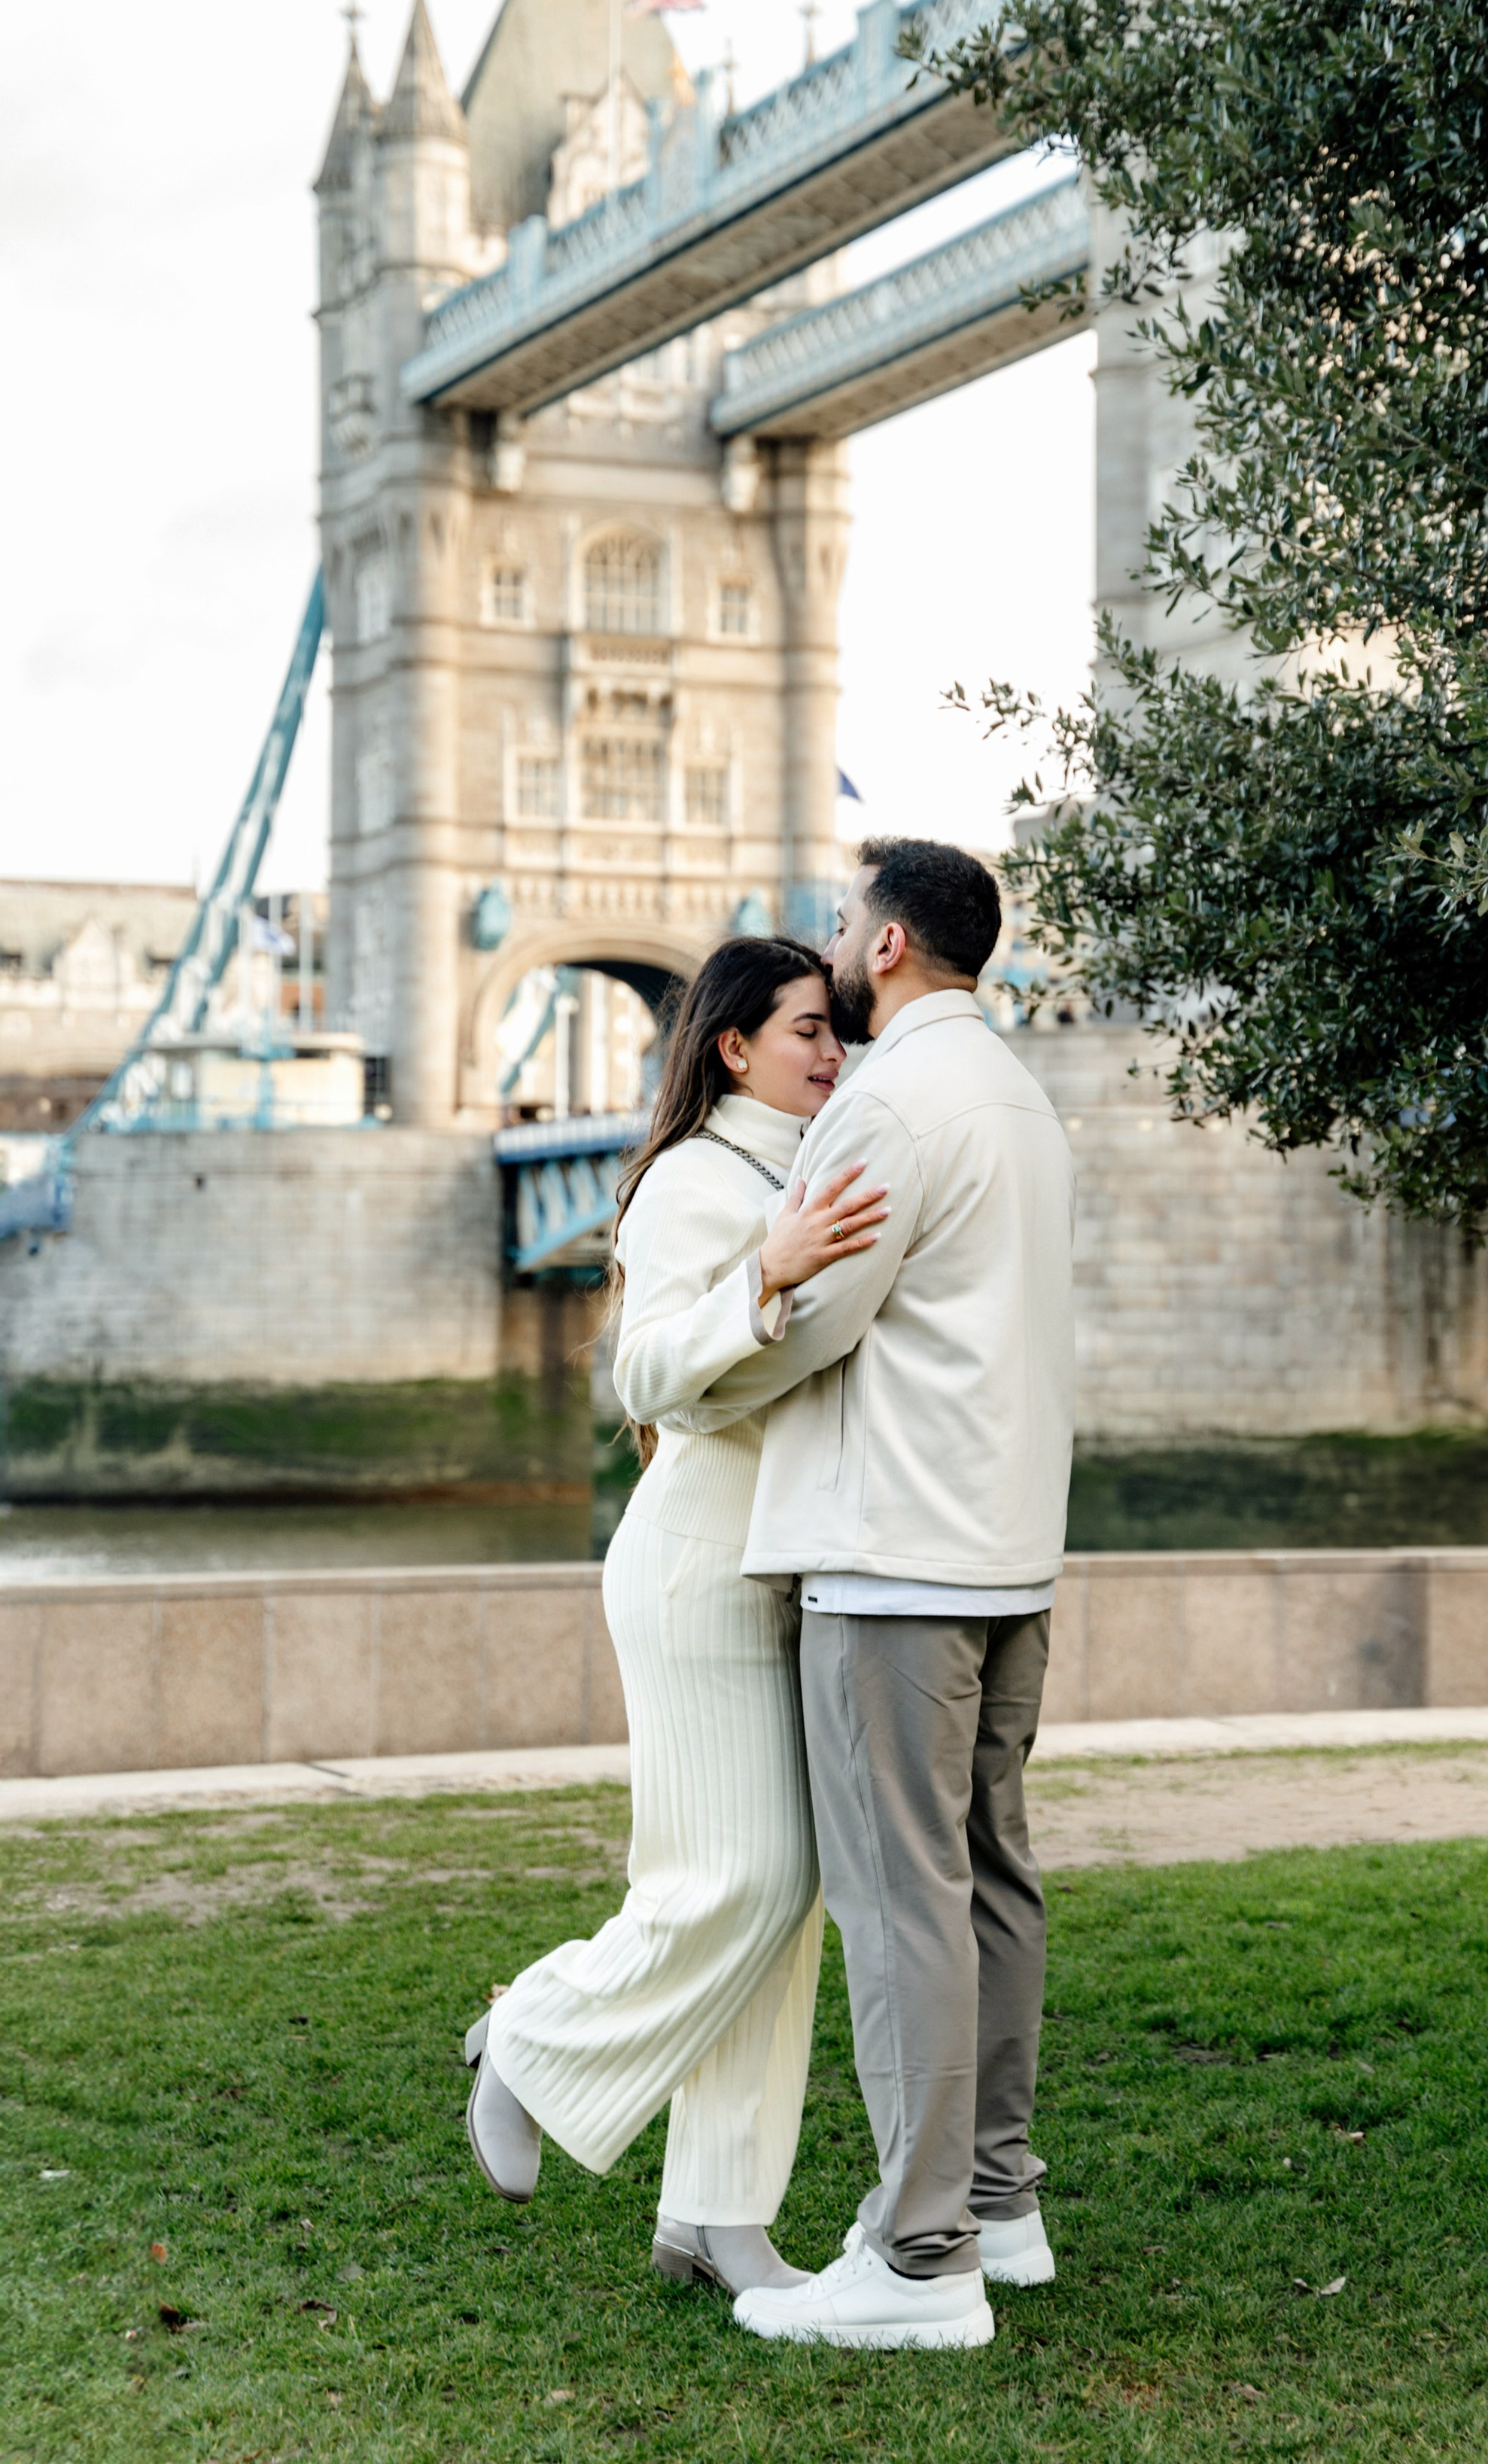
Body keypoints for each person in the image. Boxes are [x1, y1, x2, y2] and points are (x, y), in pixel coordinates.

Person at [461, 936, 888, 2300]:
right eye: (810, 1030)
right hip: (701, 1564)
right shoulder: (697, 1183)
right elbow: (646, 1375)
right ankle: (530, 2035)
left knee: (784, 1901)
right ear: (735, 1048)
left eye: (839, 1032)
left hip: (794, 1566)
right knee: (734, 1880)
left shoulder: (809, 1168)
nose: (833, 1052)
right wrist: (762, 1277)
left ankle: (716, 2217)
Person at [694, 839, 1077, 2353]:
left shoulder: (886, 1100)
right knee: (987, 1872)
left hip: (892, 1551)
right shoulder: (1017, 1096)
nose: (836, 943)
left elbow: (817, 1318)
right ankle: (997, 2199)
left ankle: (919, 2260)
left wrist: (719, 1344)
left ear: (895, 942)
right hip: (1004, 1546)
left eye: (849, 921)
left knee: (896, 1896)